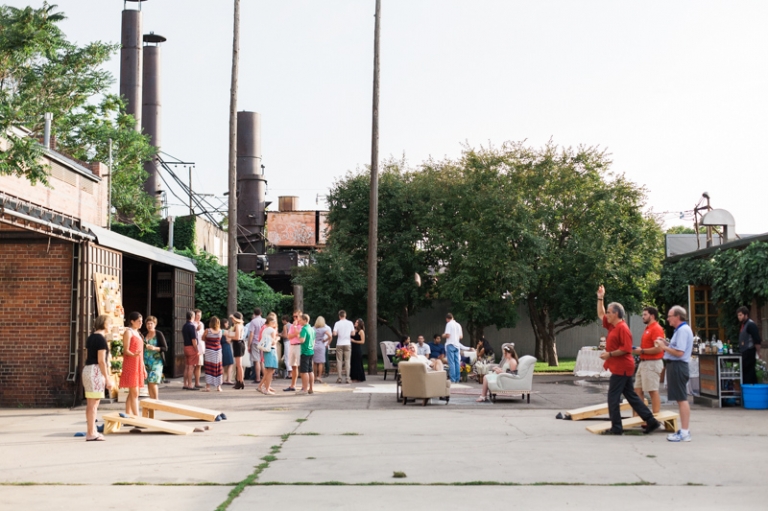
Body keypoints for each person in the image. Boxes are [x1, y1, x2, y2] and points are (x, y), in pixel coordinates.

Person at [597, 286, 660, 435]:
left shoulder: (622, 328)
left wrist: (609, 355)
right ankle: (651, 421)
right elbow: (600, 313)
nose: (606, 315)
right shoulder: (612, 326)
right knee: (631, 396)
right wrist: (600, 297)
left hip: (622, 367)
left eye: (609, 312)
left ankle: (617, 428)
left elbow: (626, 349)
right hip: (620, 367)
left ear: (616, 314)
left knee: (613, 397)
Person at [656, 305, 695, 442]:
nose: (668, 319)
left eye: (670, 316)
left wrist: (663, 347)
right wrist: (666, 343)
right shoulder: (680, 330)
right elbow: (677, 347)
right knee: (680, 398)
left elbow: (679, 352)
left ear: (677, 317)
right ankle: (684, 431)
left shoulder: (683, 330)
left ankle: (685, 432)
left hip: (679, 366)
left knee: (681, 398)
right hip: (675, 366)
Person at [83, 314, 113, 441]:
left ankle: (92, 431)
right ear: (105, 324)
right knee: (94, 404)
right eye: (110, 323)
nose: (111, 326)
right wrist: (107, 378)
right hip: (95, 370)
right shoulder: (101, 339)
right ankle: (91, 433)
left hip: (88, 369)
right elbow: (102, 361)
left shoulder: (91, 337)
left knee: (91, 404)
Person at [631, 307, 665, 415]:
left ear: (652, 316)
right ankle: (640, 416)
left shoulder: (656, 329)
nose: (643, 317)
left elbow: (659, 348)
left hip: (652, 363)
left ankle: (655, 417)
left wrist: (642, 351)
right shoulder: (648, 328)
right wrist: (638, 351)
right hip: (644, 362)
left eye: (645, 314)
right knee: (637, 390)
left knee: (652, 391)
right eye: (643, 315)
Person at [119, 311, 147, 416]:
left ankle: (128, 413)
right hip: (131, 363)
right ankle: (136, 416)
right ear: (132, 321)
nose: (141, 323)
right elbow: (125, 350)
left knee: (133, 392)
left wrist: (143, 367)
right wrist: (133, 355)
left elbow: (141, 353)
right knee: (135, 392)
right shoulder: (129, 332)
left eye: (141, 321)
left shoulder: (138, 333)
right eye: (138, 321)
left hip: (138, 363)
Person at [143, 315, 167, 400]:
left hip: (156, 361)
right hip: (146, 361)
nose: (149, 325)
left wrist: (154, 348)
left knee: (153, 381)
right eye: (148, 324)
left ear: (155, 324)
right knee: (148, 382)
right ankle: (151, 401)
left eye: (151, 323)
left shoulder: (158, 334)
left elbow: (165, 348)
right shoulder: (144, 335)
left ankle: (156, 400)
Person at [737, 306, 762, 384]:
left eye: (740, 315)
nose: (739, 317)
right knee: (745, 372)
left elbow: (756, 339)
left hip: (749, 351)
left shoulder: (750, 324)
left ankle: (751, 389)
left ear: (746, 314)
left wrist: (758, 352)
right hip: (744, 352)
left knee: (749, 373)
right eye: (738, 315)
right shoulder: (744, 325)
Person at [258, 314, 280, 394]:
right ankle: (267, 389)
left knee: (268, 370)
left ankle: (263, 386)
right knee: (270, 370)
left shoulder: (265, 329)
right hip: (271, 350)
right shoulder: (272, 330)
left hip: (266, 351)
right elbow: (273, 342)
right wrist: (277, 339)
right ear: (271, 322)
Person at [333, 310, 355, 384]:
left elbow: (335, 333)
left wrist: (337, 333)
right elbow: (353, 333)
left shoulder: (337, 323)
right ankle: (348, 378)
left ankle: (339, 378)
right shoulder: (350, 323)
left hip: (339, 343)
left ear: (339, 316)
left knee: (339, 361)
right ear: (345, 315)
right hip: (347, 343)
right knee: (347, 361)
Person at [202, 316, 224, 392]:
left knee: (209, 367)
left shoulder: (207, 330)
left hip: (209, 350)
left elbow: (203, 338)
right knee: (218, 367)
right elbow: (219, 339)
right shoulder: (220, 331)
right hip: (218, 350)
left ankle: (208, 386)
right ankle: (218, 386)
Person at [225, 312, 246, 389]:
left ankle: (240, 381)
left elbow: (237, 337)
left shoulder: (237, 326)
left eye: (233, 318)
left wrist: (229, 336)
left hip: (238, 344)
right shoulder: (240, 325)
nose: (232, 320)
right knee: (239, 365)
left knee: (239, 365)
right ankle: (240, 381)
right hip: (239, 344)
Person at [284, 310, 303, 392]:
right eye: (293, 316)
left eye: (296, 316)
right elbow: (289, 336)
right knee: (293, 366)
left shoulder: (302, 326)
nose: (294, 318)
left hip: (299, 345)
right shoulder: (292, 326)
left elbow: (300, 336)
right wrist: (295, 332)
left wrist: (295, 332)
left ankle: (304, 385)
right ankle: (293, 385)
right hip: (292, 345)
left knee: (301, 366)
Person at [442, 313, 464, 383]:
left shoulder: (449, 324)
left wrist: (443, 335)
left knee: (451, 362)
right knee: (457, 362)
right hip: (457, 345)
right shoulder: (458, 325)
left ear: (447, 319)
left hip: (450, 344)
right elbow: (461, 337)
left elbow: (448, 335)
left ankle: (452, 379)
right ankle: (457, 378)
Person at [298, 313, 316, 395]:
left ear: (305, 320)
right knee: (310, 370)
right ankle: (311, 388)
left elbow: (302, 340)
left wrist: (298, 336)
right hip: (311, 351)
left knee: (304, 371)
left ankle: (304, 389)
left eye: (301, 319)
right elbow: (314, 341)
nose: (299, 321)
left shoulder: (304, 329)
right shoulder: (312, 329)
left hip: (305, 351)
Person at [247, 308, 266, 384]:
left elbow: (251, 334)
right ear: (261, 313)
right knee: (262, 361)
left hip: (255, 341)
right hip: (263, 342)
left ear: (254, 313)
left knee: (256, 361)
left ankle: (258, 378)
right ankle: (265, 377)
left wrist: (249, 345)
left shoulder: (253, 322)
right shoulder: (264, 321)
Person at [182, 311, 199, 391]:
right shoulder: (192, 326)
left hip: (185, 346)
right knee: (191, 367)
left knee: (186, 366)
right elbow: (194, 339)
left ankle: (185, 383)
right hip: (191, 347)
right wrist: (196, 349)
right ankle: (190, 385)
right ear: (193, 316)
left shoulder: (184, 326)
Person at [313, 316, 332, 384]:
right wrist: (325, 341)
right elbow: (330, 336)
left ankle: (314, 376)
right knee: (321, 362)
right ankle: (319, 377)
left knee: (315, 362)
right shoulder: (324, 329)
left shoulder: (313, 328)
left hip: (314, 345)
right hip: (321, 345)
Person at [221, 317, 234, 385]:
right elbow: (229, 340)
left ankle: (222, 379)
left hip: (221, 347)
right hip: (226, 347)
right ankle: (229, 379)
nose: (228, 325)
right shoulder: (226, 331)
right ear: (224, 324)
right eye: (227, 323)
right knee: (230, 363)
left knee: (223, 364)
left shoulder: (220, 331)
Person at [193, 309, 204, 389]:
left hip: (201, 346)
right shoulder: (192, 324)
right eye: (197, 315)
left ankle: (198, 382)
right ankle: (193, 382)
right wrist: (196, 330)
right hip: (195, 346)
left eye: (200, 315)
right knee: (194, 365)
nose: (199, 317)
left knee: (199, 365)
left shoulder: (202, 324)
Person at [280, 315, 292, 380]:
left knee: (287, 358)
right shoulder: (292, 325)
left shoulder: (285, 326)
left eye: (282, 320)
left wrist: (279, 334)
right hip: (292, 343)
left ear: (284, 320)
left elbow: (285, 336)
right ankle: (292, 372)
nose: (282, 322)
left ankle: (290, 373)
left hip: (287, 342)